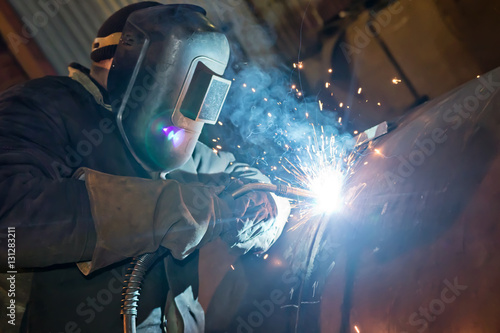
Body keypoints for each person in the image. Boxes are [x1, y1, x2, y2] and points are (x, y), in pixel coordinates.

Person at [0, 2, 290, 332]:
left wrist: (262, 208)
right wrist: (164, 211)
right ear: (129, 62)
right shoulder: (44, 105)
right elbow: (9, 216)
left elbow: (249, 179)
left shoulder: (168, 146)